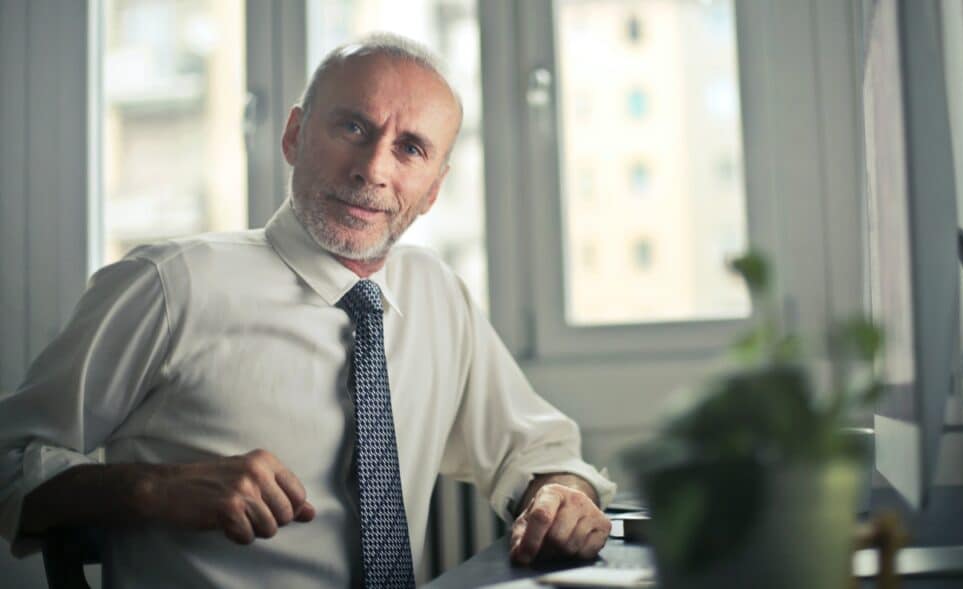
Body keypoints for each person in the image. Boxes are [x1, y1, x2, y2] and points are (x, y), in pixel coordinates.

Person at [0, 33, 615, 588]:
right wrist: (153, 488)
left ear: (433, 189)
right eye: (352, 127)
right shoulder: (169, 286)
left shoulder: (437, 293)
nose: (373, 169)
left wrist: (559, 493)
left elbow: (537, 450)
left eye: (409, 148)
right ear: (294, 134)